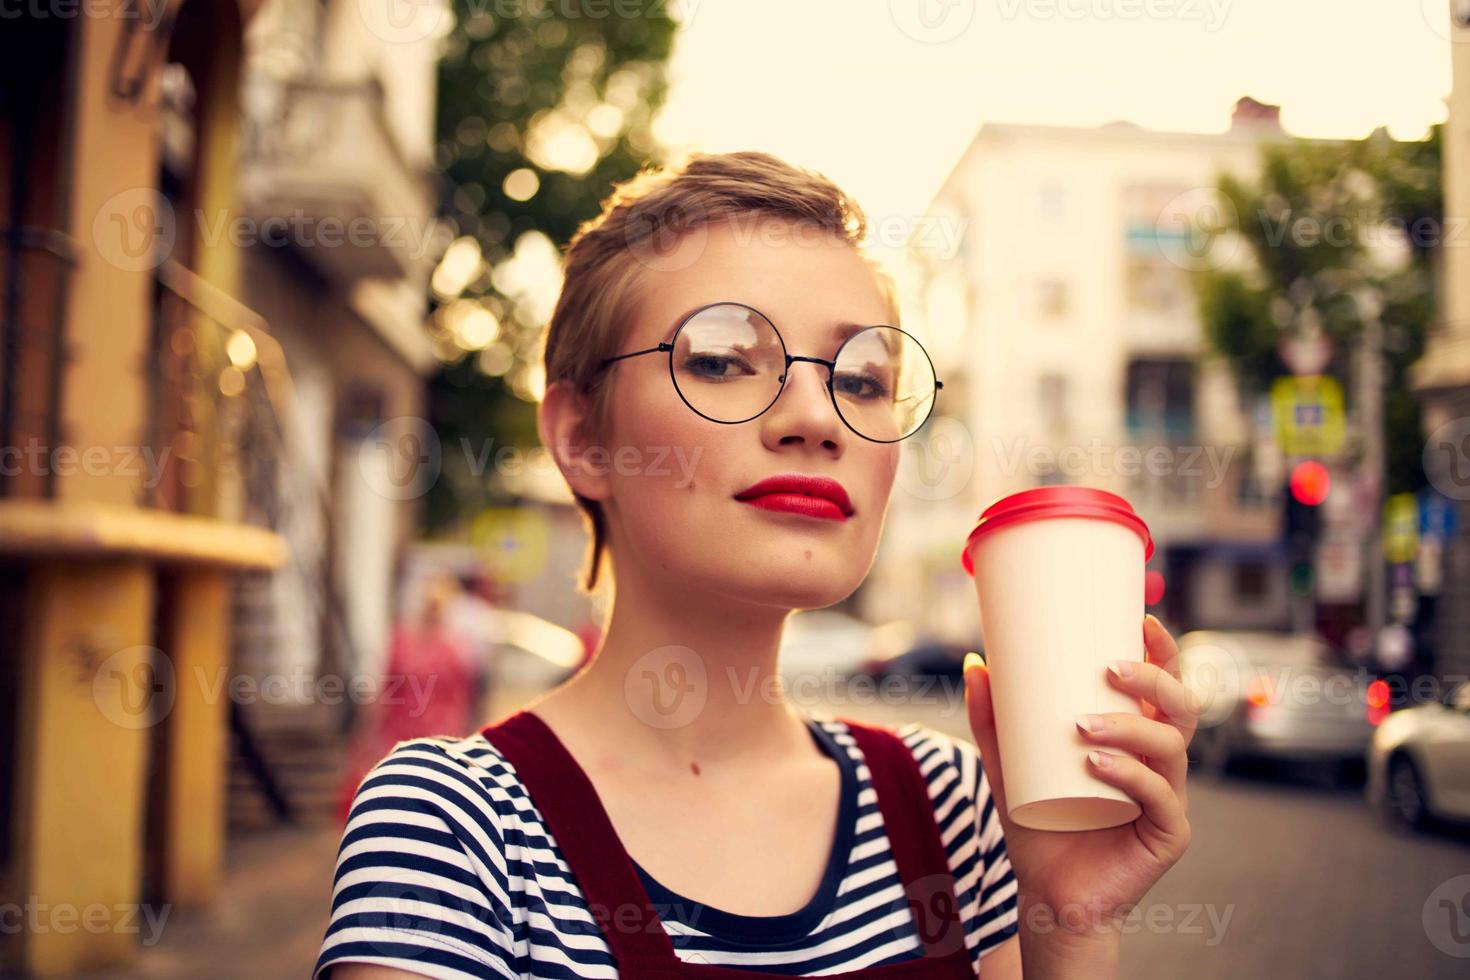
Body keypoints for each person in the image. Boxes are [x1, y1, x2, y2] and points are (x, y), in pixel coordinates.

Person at [315, 151, 1197, 979]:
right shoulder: (454, 831)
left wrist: (1069, 921)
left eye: (860, 379)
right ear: (583, 438)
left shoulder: (948, 803)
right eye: (723, 360)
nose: (817, 415)